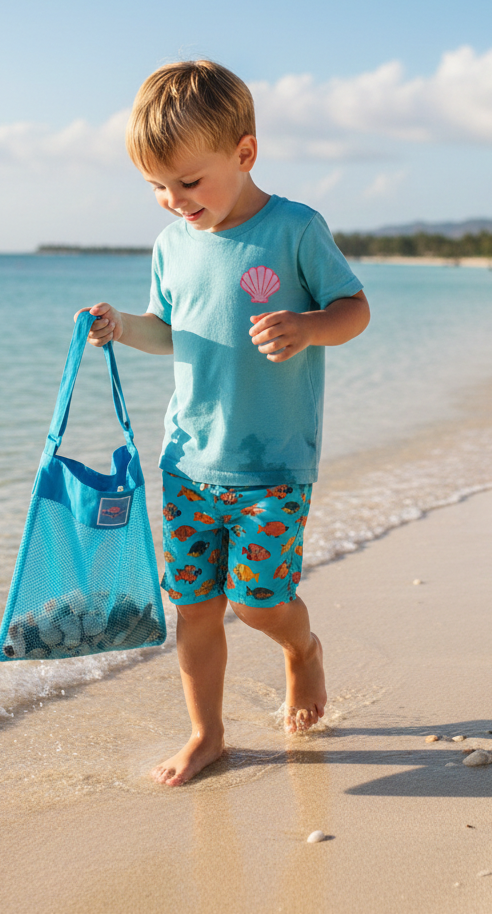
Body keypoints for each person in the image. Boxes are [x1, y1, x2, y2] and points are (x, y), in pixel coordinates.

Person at [76, 60, 369, 786]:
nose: (174, 201)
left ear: (244, 153)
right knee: (197, 608)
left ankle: (303, 652)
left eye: (188, 180)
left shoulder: (296, 228)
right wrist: (120, 327)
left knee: (259, 603)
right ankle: (207, 734)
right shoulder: (173, 245)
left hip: (272, 465)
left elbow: (354, 310)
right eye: (157, 187)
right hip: (188, 462)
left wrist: (308, 327)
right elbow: (170, 331)